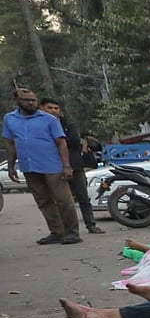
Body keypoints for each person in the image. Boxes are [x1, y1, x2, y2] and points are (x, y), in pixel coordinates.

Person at [3, 88, 80, 244]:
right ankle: (57, 232)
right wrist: (11, 167)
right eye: (27, 100)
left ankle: (72, 233)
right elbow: (10, 144)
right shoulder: (9, 119)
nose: (32, 103)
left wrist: (66, 166)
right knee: (43, 201)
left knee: (63, 200)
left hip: (53, 166)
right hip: (29, 167)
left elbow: (61, 143)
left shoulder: (49, 119)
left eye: (34, 100)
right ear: (17, 101)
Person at [40, 98, 103, 233]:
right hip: (53, 167)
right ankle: (62, 229)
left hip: (75, 166)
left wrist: (57, 140)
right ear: (42, 109)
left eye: (56, 108)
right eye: (49, 108)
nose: (53, 111)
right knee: (60, 201)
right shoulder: (39, 125)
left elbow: (74, 141)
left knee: (83, 197)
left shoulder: (68, 124)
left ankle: (91, 224)